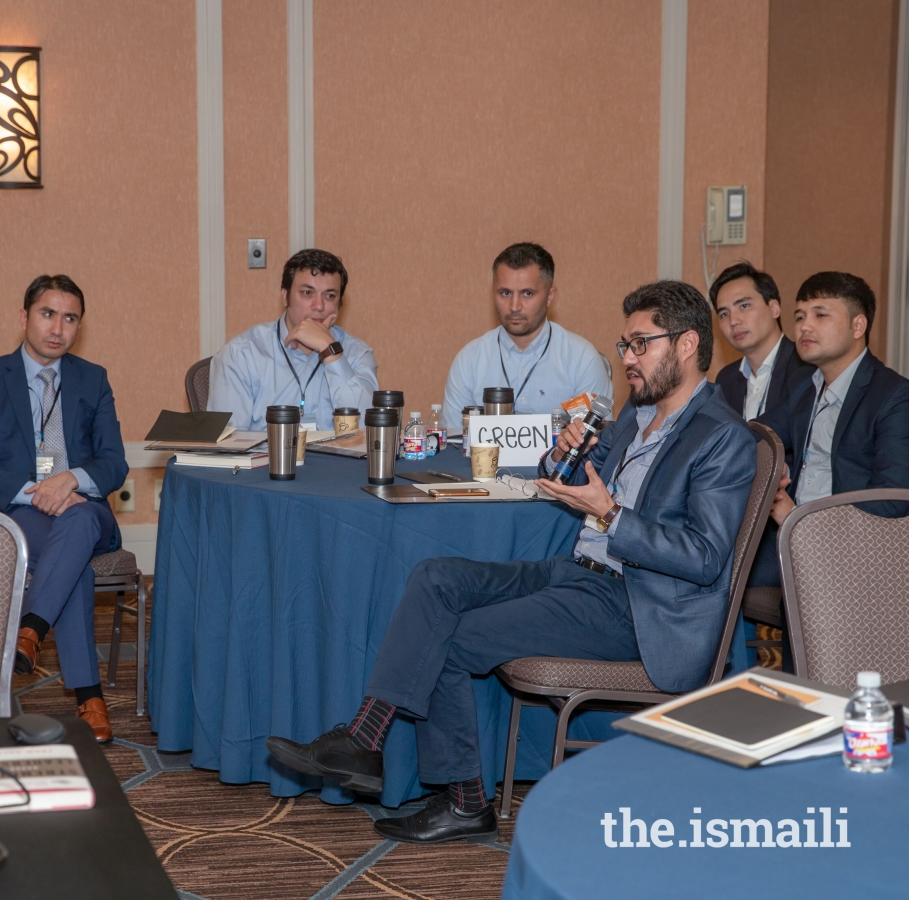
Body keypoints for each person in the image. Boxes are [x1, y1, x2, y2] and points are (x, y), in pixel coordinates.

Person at [266, 281, 754, 845]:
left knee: (450, 636)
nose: (627, 360)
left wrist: (612, 513)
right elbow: (571, 477)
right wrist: (563, 452)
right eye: (624, 346)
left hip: (638, 607)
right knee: (436, 576)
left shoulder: (722, 437)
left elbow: (705, 556)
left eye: (640, 345)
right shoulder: (637, 415)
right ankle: (367, 741)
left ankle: (456, 796)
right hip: (580, 575)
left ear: (687, 344)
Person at [0, 274, 128, 742]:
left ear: (79, 326)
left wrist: (71, 480)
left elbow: (115, 463)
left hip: (87, 510)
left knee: (77, 521)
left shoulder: (93, 380)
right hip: (23, 511)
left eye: (70, 318)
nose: (58, 327)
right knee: (73, 566)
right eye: (47, 314)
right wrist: (39, 491)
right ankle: (89, 698)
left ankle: (30, 630)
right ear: (24, 317)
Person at [749, 272, 909, 588]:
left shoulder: (893, 396)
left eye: (820, 315)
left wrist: (804, 524)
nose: (804, 326)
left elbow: (892, 502)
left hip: (853, 553)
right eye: (800, 316)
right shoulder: (803, 385)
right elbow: (757, 432)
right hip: (791, 536)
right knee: (714, 569)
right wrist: (770, 460)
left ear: (858, 326)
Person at [208, 249, 378, 431]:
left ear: (339, 304)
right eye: (307, 293)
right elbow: (227, 443)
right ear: (285, 296)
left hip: (336, 460)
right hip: (268, 459)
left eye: (329, 296)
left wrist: (329, 350)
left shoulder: (358, 354)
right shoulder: (241, 355)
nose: (319, 306)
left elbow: (369, 430)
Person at [444, 242, 612, 424]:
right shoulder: (469, 360)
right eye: (505, 293)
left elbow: (595, 441)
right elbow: (454, 440)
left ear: (549, 297)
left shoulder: (583, 360)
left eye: (527, 294)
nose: (514, 306)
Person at [710, 262, 810, 419]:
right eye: (724, 314)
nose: (733, 321)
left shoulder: (805, 369)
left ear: (774, 308)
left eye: (744, 306)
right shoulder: (726, 379)